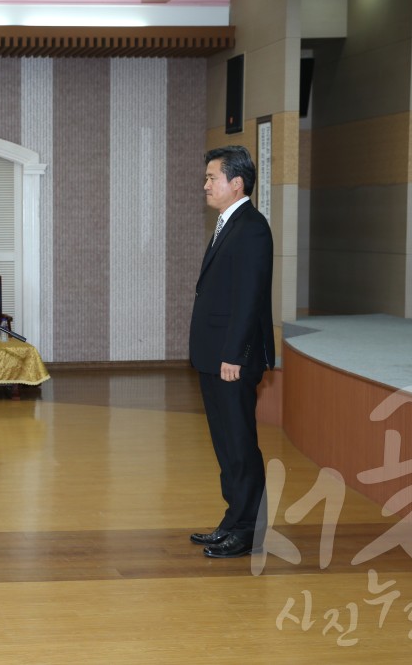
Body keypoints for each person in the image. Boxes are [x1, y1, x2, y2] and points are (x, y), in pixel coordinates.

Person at [188, 145, 275, 559]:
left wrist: (235, 355)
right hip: (215, 355)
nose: (205, 184)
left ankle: (248, 530)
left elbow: (249, 298)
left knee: (240, 442)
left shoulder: (252, 228)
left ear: (235, 182)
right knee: (225, 443)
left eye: (211, 177)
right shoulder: (229, 223)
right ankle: (233, 518)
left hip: (232, 359)